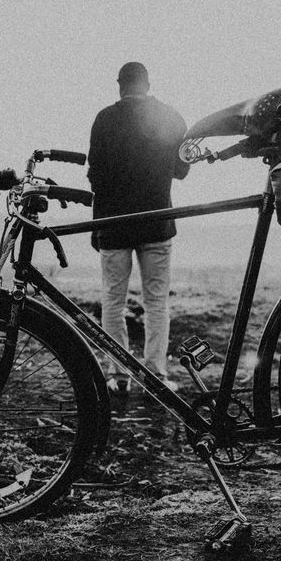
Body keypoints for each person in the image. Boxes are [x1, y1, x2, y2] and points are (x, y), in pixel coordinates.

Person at [87, 62, 189, 395]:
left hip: (114, 224)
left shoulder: (104, 119)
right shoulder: (171, 117)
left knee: (112, 301)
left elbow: (96, 178)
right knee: (156, 302)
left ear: (120, 85)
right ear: (148, 83)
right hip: (157, 223)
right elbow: (181, 171)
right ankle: (156, 375)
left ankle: (118, 376)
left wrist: (96, 224)